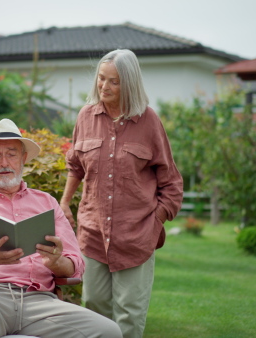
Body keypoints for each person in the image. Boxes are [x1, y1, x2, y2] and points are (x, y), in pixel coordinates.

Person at [0, 118, 123, 338]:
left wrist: (57, 262)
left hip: (38, 302)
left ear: (23, 158)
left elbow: (77, 265)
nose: (4, 162)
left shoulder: (47, 203)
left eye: (12, 154)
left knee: (108, 332)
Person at [60, 49, 184, 338]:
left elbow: (172, 183)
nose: (104, 87)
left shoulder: (149, 121)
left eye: (114, 81)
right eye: (101, 79)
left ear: (129, 83)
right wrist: (65, 202)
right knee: (93, 310)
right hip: (92, 235)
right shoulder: (86, 116)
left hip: (136, 236)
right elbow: (75, 166)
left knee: (129, 316)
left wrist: (155, 222)